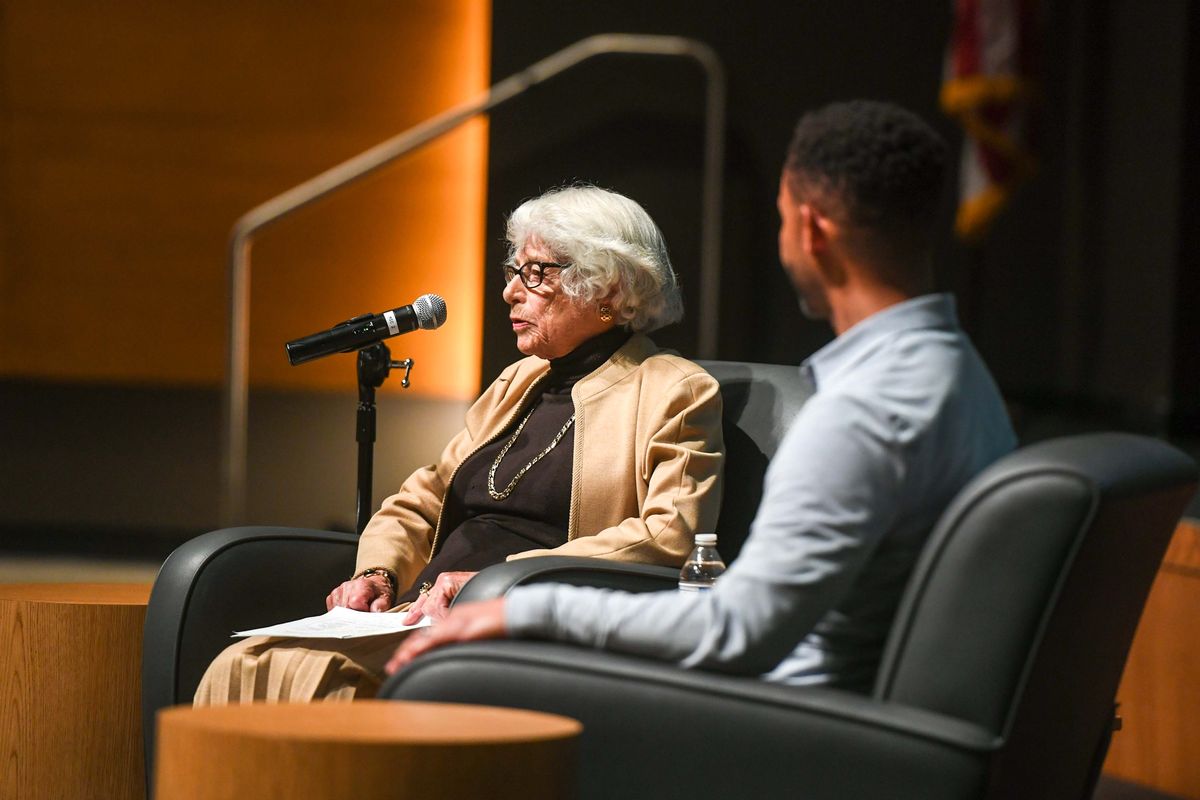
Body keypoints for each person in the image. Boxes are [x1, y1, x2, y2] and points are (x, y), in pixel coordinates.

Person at [387, 100, 1018, 690]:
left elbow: (735, 631)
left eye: (779, 219)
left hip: (793, 727)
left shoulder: (860, 414)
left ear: (811, 229)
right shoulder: (962, 375)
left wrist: (517, 608)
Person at [194, 185, 725, 704]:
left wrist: (501, 580)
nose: (510, 291)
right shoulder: (517, 382)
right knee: (246, 663)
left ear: (608, 288)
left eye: (536, 273)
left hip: (513, 622)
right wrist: (377, 572)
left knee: (326, 679)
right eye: (514, 271)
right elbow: (421, 499)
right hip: (417, 609)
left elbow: (671, 535)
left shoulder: (672, 390)